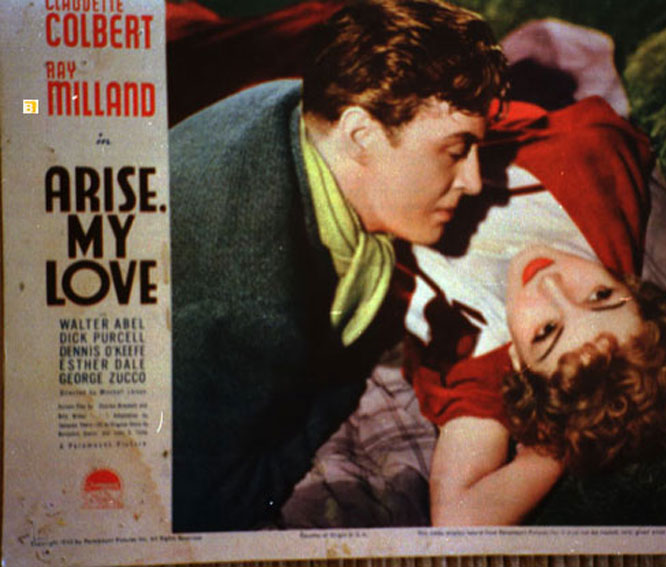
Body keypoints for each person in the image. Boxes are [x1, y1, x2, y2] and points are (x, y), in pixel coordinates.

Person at [169, 0, 507, 531]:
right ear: (360, 134)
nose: (473, 181)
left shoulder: (293, 105)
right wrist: (336, 390)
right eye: (455, 150)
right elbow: (212, 504)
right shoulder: (248, 301)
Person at [402, 95, 666, 525]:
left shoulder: (481, 360)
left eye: (546, 332)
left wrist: (555, 446)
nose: (552, 284)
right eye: (601, 296)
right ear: (631, 286)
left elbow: (459, 518)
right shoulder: (594, 185)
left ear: (518, 364)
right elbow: (601, 129)